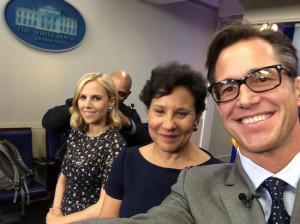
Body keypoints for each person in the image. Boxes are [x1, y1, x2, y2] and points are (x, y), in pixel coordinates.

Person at [74, 21, 300, 224]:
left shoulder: (207, 171)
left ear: (297, 89)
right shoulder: (194, 185)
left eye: (262, 78)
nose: (246, 99)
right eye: (228, 87)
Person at [98, 62, 223, 219]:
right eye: (159, 111)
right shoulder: (126, 161)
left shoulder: (216, 174)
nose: (169, 125)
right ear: (148, 113)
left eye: (181, 113)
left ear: (197, 117)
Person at [46, 73, 126, 223]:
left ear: (111, 102)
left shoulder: (114, 144)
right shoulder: (77, 133)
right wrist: (56, 211)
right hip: (63, 213)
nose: (87, 104)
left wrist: (61, 221)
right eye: (83, 97)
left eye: (96, 98)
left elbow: (103, 205)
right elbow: (63, 176)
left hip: (88, 219)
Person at [42, 71, 152, 161]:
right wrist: (76, 109)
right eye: (83, 97)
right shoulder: (80, 107)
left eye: (121, 93)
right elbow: (48, 122)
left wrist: (128, 124)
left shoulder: (129, 116)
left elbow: (147, 144)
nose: (115, 96)